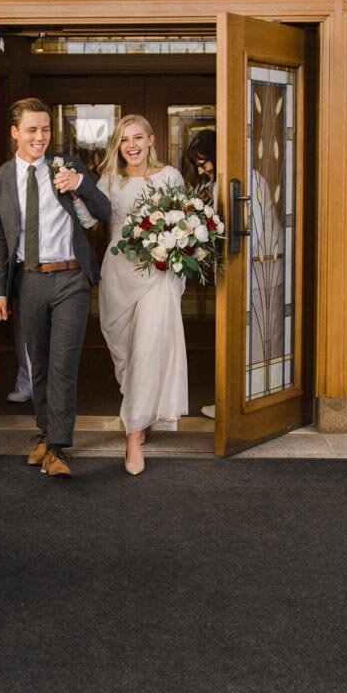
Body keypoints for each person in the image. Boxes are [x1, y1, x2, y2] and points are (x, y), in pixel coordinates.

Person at [0, 98, 110, 478]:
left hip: (71, 278)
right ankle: (45, 433)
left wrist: (81, 186)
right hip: (29, 280)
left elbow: (104, 211)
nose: (40, 137)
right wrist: (1, 292)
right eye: (32, 130)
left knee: (63, 364)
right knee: (38, 364)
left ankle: (58, 448)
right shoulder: (0, 180)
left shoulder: (67, 166)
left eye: (45, 129)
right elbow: (3, 241)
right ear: (15, 133)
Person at [96, 115, 188, 475]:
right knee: (126, 354)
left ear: (151, 140)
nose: (130, 145)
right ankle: (140, 409)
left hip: (158, 274)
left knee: (149, 348)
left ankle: (133, 437)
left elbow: (184, 221)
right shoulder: (109, 180)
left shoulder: (170, 177)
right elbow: (87, 218)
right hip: (118, 274)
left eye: (137, 137)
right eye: (123, 140)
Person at [186, 130, 219, 419]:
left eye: (204, 162)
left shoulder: (229, 185)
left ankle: (230, 403)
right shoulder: (214, 186)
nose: (201, 170)